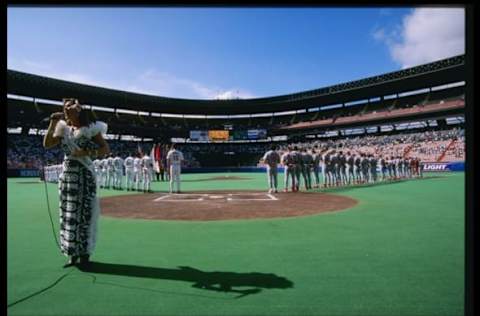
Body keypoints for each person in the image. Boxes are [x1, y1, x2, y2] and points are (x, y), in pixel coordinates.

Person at [43, 98, 110, 268]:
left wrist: (86, 152)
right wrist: (53, 123)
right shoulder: (63, 128)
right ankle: (71, 253)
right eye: (64, 108)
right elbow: (47, 144)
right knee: (68, 214)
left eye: (68, 108)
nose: (65, 110)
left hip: (84, 175)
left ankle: (85, 254)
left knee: (85, 213)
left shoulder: (90, 129)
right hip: (67, 176)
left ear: (78, 110)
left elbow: (104, 149)